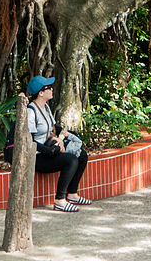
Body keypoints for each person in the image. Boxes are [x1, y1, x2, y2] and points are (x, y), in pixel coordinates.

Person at [26, 75, 91, 212]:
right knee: (71, 160)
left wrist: (63, 136)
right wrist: (50, 151)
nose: (51, 89)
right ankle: (60, 200)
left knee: (82, 155)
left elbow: (54, 129)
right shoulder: (31, 112)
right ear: (40, 93)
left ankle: (72, 194)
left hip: (51, 149)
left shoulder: (46, 108)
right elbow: (30, 141)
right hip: (38, 156)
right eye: (48, 88)